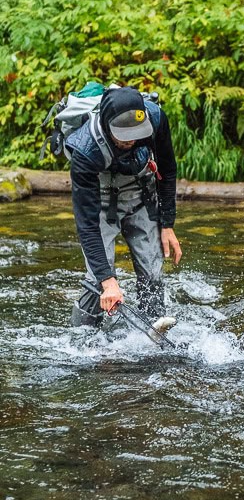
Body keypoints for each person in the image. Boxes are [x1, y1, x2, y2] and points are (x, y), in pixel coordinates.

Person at [68, 85, 182, 329]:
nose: (131, 139)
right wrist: (108, 281)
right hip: (100, 200)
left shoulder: (155, 119)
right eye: (123, 134)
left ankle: (154, 327)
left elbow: (168, 170)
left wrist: (167, 224)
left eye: (135, 133)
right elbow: (87, 225)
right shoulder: (84, 150)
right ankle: (82, 336)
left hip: (140, 193)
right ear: (108, 125)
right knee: (98, 278)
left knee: (152, 271)